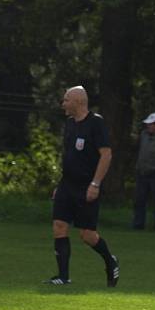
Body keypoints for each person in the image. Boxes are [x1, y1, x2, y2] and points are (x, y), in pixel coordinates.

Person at [44, 86, 119, 287]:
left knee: (87, 235)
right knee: (59, 226)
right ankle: (63, 276)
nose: (63, 104)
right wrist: (61, 184)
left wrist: (95, 184)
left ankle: (110, 260)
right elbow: (69, 157)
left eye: (66, 100)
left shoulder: (96, 123)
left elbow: (106, 154)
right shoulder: (69, 124)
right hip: (67, 185)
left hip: (87, 186)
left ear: (78, 101)